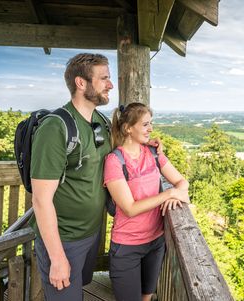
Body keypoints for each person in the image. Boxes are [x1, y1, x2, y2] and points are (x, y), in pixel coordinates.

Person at [30, 53, 161, 301]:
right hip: (64, 240)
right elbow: (40, 200)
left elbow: (124, 152)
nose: (110, 84)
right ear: (81, 83)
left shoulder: (100, 122)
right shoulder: (56, 127)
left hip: (92, 233)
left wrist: (147, 145)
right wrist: (57, 258)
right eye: (104, 78)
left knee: (83, 286)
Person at [104, 102, 189, 301]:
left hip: (156, 242)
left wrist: (179, 191)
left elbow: (182, 182)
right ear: (128, 128)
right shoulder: (114, 161)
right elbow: (130, 208)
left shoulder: (153, 153)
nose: (151, 129)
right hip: (127, 247)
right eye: (145, 124)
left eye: (151, 123)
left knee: (147, 297)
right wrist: (169, 194)